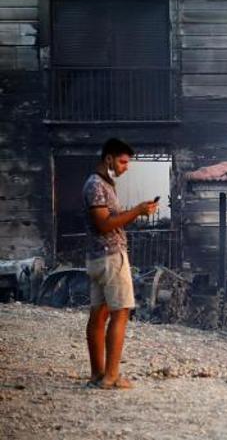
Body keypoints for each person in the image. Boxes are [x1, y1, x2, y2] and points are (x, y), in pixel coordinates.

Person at [83, 138, 158, 389]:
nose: (126, 167)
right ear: (109, 159)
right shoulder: (96, 185)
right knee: (120, 313)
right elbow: (103, 224)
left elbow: (110, 219)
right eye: (123, 161)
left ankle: (98, 374)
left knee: (99, 314)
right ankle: (111, 375)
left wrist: (137, 211)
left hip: (98, 257)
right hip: (110, 257)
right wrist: (137, 211)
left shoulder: (103, 184)